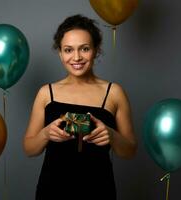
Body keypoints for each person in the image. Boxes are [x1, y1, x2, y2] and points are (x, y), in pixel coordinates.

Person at [23, 14, 137, 200]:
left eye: (84, 49)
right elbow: (29, 149)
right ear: (60, 52)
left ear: (96, 50)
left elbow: (130, 150)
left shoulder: (114, 92)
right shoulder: (46, 93)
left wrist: (111, 134)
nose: (76, 57)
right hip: (52, 190)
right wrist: (46, 133)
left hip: (99, 190)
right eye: (68, 50)